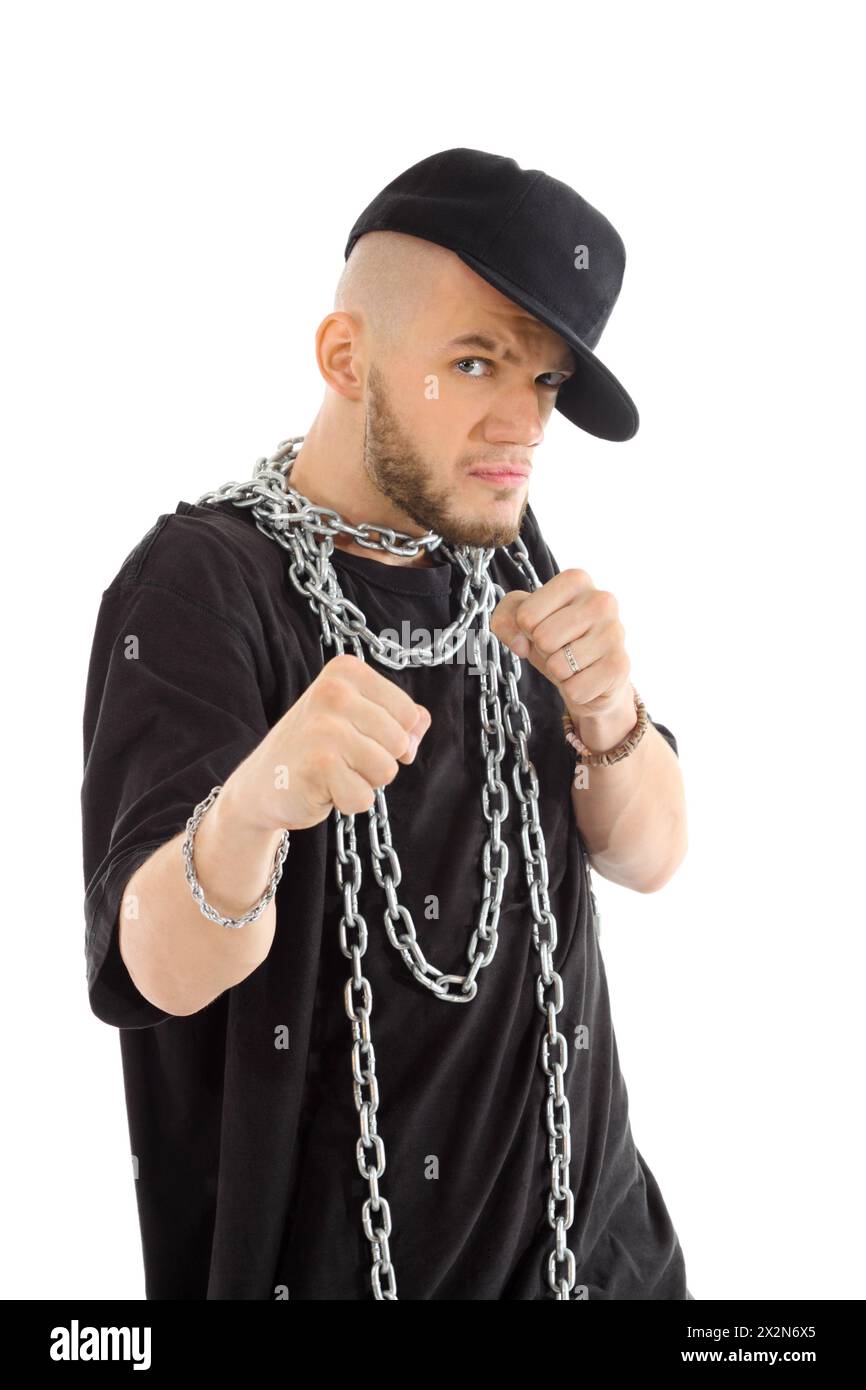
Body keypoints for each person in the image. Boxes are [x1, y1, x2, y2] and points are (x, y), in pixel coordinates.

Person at [80, 148, 691, 1300]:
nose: (522, 424)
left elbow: (650, 854)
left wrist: (611, 714)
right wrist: (256, 804)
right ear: (346, 357)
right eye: (475, 362)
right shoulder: (200, 586)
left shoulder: (500, 544)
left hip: (605, 1263)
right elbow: (151, 966)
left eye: (547, 380)